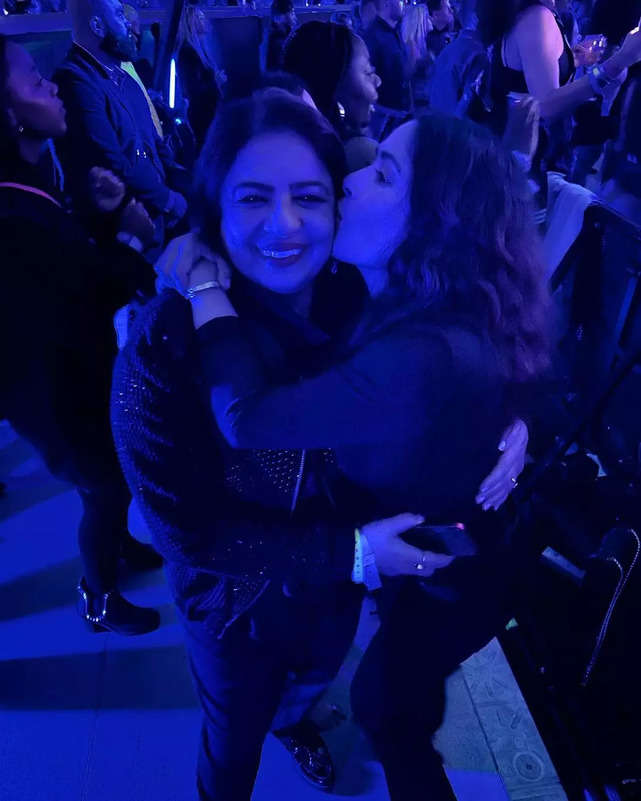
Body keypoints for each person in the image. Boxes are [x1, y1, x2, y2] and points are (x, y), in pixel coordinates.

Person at [112, 90, 528, 800]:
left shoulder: (358, 295)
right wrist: (355, 553)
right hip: (238, 605)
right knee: (231, 741)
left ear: (338, 204)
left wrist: (517, 419)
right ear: (213, 207)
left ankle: (295, 717)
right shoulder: (164, 346)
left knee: (309, 685)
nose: (285, 225)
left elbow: (482, 319)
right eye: (252, 199)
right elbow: (185, 527)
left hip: (339, 588)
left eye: (309, 195)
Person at [0, 35, 161, 635]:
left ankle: (117, 549)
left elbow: (66, 262)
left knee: (110, 478)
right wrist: (132, 238)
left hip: (71, 377)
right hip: (51, 398)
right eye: (32, 82)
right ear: (9, 114)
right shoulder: (12, 213)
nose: (48, 85)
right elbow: (82, 293)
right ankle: (98, 597)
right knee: (104, 485)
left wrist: (96, 213)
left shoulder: (31, 174)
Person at [53, 0, 189, 252]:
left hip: (156, 215)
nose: (129, 23)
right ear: (97, 25)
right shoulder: (73, 81)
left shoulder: (124, 77)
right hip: (122, 229)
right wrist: (168, 200)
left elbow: (154, 142)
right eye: (119, 15)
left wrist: (183, 181)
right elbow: (111, 161)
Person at [283, 21, 382, 170]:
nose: (378, 81)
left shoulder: (290, 151)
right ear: (333, 88)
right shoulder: (363, 157)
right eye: (368, 72)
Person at [176, 1, 225, 154]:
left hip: (209, 110)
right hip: (202, 114)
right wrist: (216, 80)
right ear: (192, 21)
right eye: (200, 17)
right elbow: (193, 89)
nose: (204, 20)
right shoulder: (188, 53)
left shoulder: (199, 49)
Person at [363, 0, 413, 138]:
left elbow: (398, 74)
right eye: (401, 0)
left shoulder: (394, 33)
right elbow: (366, 79)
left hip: (400, 117)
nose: (405, 2)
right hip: (384, 123)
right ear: (386, 3)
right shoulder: (372, 37)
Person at [400, 3, 433, 108]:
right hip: (417, 104)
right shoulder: (412, 46)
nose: (431, 19)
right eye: (427, 17)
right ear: (420, 21)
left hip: (423, 100)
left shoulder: (421, 45)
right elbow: (406, 78)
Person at [260, 0, 297, 73]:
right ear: (281, 16)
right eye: (292, 12)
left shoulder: (286, 33)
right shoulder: (276, 39)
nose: (295, 16)